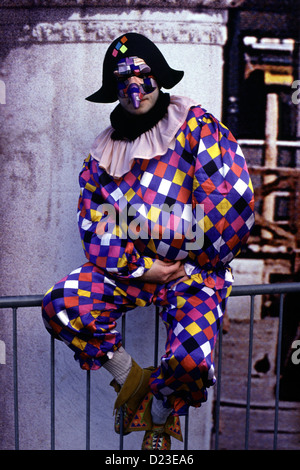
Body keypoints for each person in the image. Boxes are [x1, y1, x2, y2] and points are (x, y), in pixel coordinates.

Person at [42, 32, 255, 450]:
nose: (135, 89)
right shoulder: (101, 156)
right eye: (123, 82)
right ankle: (133, 380)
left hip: (194, 274)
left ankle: (158, 413)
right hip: (135, 272)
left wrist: (143, 228)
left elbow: (231, 203)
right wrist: (143, 266)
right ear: (114, 90)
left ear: (159, 78)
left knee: (192, 362)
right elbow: (96, 224)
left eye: (143, 77)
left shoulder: (196, 128)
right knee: (62, 305)